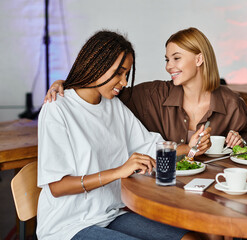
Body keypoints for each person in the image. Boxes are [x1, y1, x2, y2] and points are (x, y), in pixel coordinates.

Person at [37, 30, 201, 240]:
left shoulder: (114, 106)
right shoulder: (57, 109)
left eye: (126, 74)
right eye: (118, 73)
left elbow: (148, 146)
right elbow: (57, 186)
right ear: (96, 65)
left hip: (111, 214)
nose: (124, 82)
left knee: (190, 238)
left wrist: (190, 146)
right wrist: (119, 171)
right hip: (68, 225)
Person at [45, 27, 247, 155]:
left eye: (176, 58)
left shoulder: (231, 102)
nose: (169, 66)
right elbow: (105, 90)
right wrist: (68, 83)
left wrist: (240, 141)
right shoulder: (152, 95)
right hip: (164, 189)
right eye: (167, 59)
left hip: (214, 189)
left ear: (199, 59)